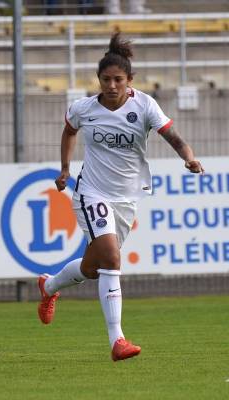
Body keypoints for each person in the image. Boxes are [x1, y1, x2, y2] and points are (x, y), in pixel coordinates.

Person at [37, 33, 204, 361]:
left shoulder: (144, 105)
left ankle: (49, 286)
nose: (111, 85)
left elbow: (172, 135)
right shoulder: (84, 108)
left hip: (126, 198)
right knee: (112, 258)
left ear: (130, 80)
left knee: (94, 268)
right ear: (98, 80)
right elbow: (70, 130)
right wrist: (65, 169)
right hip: (91, 192)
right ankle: (118, 341)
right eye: (105, 79)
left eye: (118, 79)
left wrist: (188, 156)